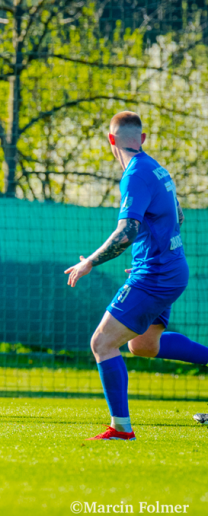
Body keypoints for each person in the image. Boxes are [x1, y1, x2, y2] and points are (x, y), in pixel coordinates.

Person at [65, 112, 208, 440]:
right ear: (141, 139)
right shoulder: (157, 168)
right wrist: (151, 254)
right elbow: (178, 215)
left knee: (101, 343)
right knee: (142, 345)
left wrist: (90, 263)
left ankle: (121, 428)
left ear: (111, 140)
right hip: (169, 269)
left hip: (157, 275)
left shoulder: (135, 175)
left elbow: (127, 231)